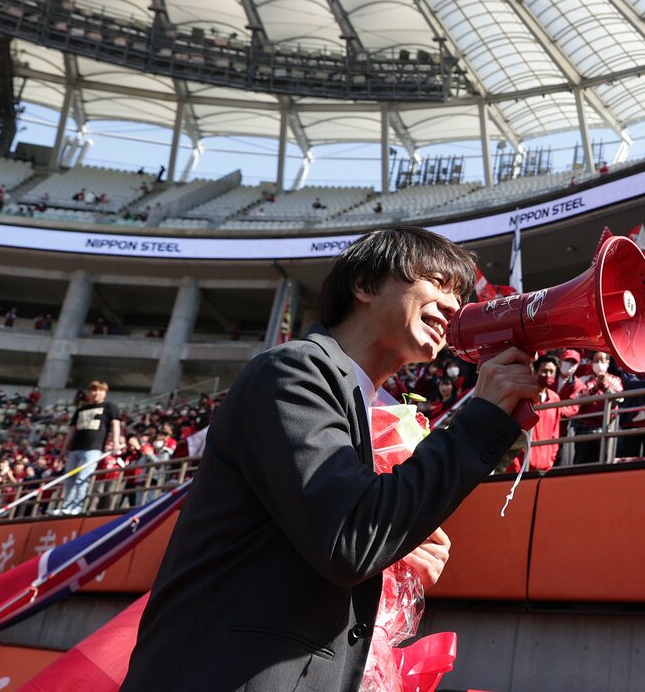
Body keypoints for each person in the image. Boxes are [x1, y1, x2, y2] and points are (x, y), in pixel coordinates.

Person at [123, 226, 537, 692]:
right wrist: (480, 418)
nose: (453, 306)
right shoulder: (293, 370)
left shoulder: (374, 406)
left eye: (459, 295)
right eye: (437, 283)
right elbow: (351, 539)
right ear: (363, 285)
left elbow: (344, 537)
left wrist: (398, 545)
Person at [59, 380, 121, 516]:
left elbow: (115, 424)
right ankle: (66, 506)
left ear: (105, 393)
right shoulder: (81, 409)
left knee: (83, 478)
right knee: (70, 479)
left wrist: (116, 442)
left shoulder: (110, 407)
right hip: (75, 448)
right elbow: (72, 430)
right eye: (93, 390)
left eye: (99, 390)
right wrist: (64, 448)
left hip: (93, 448)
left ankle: (76, 507)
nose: (96, 393)